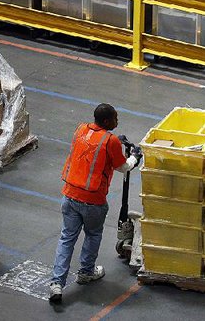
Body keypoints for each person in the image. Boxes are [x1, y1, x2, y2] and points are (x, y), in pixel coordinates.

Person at [48, 103, 139, 303]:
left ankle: (56, 284)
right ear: (107, 121)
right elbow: (123, 167)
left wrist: (115, 140)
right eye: (115, 118)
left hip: (70, 195)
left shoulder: (81, 129)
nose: (117, 121)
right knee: (93, 234)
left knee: (66, 238)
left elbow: (94, 147)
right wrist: (134, 158)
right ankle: (86, 272)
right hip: (93, 201)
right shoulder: (110, 141)